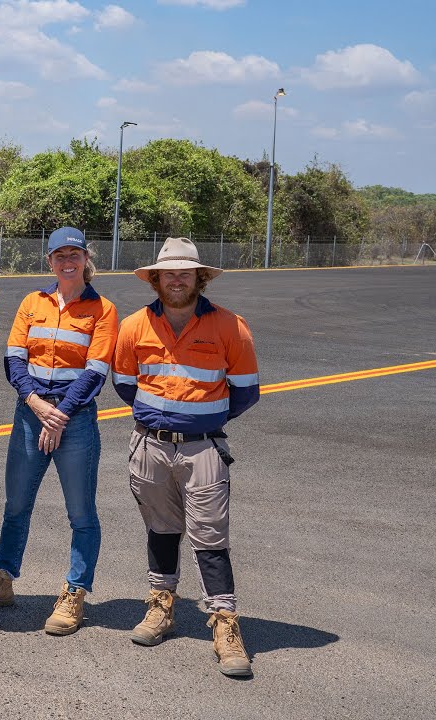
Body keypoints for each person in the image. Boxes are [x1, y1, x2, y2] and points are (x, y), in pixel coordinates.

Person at [112, 236, 259, 677]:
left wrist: (200, 420)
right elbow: (124, 383)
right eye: (168, 273)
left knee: (210, 536)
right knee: (160, 528)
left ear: (199, 278)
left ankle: (225, 622)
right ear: (156, 279)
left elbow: (246, 391)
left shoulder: (230, 326)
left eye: (185, 273)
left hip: (203, 447)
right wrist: (162, 418)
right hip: (150, 445)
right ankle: (161, 606)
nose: (177, 280)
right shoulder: (134, 325)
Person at [0, 226, 117, 636]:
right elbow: (14, 358)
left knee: (81, 513)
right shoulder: (33, 302)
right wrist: (36, 403)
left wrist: (59, 414)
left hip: (73, 417)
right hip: (32, 412)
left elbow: (96, 370)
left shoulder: (103, 310)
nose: (67, 262)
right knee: (16, 504)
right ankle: (3, 576)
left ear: (85, 258)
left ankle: (75, 590)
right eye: (59, 255)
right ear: (49, 261)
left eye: (74, 255)